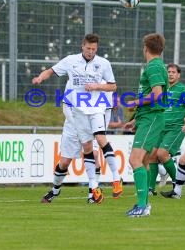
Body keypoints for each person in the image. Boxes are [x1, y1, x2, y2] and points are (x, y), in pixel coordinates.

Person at [33, 33, 120, 204]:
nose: (90, 52)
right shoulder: (71, 61)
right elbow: (51, 70)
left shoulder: (103, 65)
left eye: (94, 49)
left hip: (91, 115)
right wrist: (40, 77)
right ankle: (55, 190)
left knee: (93, 152)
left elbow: (112, 87)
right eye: (88, 48)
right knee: (64, 162)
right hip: (74, 118)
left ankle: (92, 192)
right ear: (82, 46)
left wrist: (97, 88)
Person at [123, 33, 168, 217]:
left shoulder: (154, 67)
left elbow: (157, 95)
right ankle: (143, 205)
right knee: (143, 161)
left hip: (152, 118)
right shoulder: (156, 66)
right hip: (147, 118)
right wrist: (136, 119)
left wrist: (136, 102)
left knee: (135, 160)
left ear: (145, 48)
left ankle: (142, 206)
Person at [147, 63, 185, 196]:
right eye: (169, 72)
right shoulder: (161, 90)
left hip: (176, 128)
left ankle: (176, 184)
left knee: (162, 154)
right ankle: (151, 189)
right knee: (152, 156)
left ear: (178, 75)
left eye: (173, 72)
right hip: (160, 127)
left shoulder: (183, 89)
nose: (171, 74)